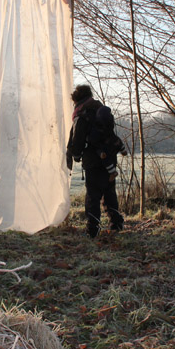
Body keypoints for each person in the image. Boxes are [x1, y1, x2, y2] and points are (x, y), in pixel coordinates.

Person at [66, 85, 125, 238]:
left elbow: (77, 139)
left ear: (76, 99)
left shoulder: (81, 114)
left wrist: (76, 155)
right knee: (109, 192)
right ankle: (116, 223)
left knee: (93, 195)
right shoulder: (101, 110)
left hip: (93, 160)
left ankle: (92, 229)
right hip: (109, 158)